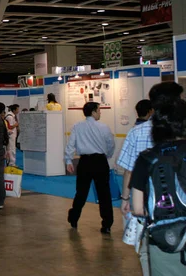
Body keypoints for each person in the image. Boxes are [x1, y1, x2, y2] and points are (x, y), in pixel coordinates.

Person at [117, 82, 184, 276]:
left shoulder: (145, 148)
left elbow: (129, 171)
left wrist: (125, 198)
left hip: (161, 224)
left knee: (148, 253)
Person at [65, 102, 115, 233]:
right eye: (99, 110)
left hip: (84, 162)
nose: (100, 112)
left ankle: (74, 218)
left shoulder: (77, 126)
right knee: (104, 194)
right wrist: (107, 156)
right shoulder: (104, 127)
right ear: (93, 112)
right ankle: (107, 224)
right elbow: (110, 144)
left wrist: (68, 160)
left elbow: (71, 144)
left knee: (81, 193)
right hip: (100, 161)